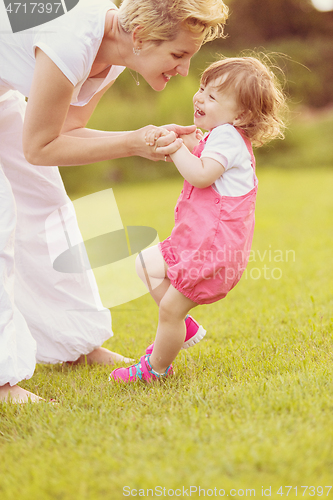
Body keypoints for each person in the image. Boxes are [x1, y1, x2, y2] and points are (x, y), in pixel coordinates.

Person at [0, 0, 229, 402]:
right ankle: (2, 381)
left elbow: (67, 128)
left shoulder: (115, 48)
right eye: (178, 54)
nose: (183, 70)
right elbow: (39, 147)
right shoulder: (71, 40)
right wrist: (131, 143)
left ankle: (74, 343)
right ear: (141, 37)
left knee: (48, 204)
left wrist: (144, 137)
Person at [110, 55, 287, 383]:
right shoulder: (221, 137)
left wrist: (176, 147)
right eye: (202, 89)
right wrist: (186, 142)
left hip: (213, 251)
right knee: (147, 265)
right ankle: (182, 327)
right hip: (195, 242)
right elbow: (202, 155)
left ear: (242, 115)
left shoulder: (228, 139)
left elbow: (202, 174)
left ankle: (156, 369)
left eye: (212, 96)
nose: (199, 97)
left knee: (169, 310)